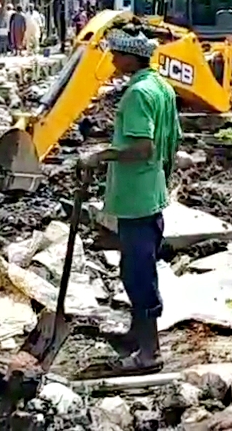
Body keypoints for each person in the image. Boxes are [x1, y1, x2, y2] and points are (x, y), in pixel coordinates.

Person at [83, 30, 180, 374]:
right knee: (136, 268)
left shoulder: (138, 93)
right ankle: (137, 335)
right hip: (150, 192)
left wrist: (101, 156)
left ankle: (149, 353)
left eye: (116, 55)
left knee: (138, 275)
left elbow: (143, 147)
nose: (112, 60)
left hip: (136, 197)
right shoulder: (162, 87)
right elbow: (172, 141)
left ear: (130, 58)